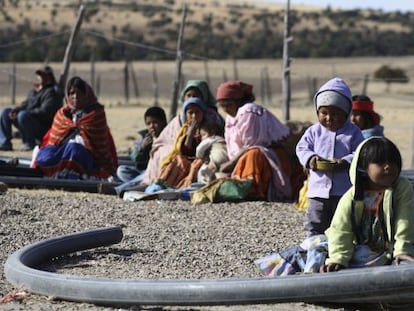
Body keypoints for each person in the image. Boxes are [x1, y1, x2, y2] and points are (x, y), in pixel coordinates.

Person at [320, 137, 414, 272]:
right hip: (364, 248)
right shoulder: (352, 196)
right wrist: (338, 258)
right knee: (316, 248)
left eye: (393, 162)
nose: (388, 166)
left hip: (399, 245)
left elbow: (405, 222)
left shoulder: (401, 188)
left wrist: (403, 251)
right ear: (364, 166)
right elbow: (341, 228)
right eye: (380, 162)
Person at [296, 77, 364, 237]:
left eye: (335, 113)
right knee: (315, 222)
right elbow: (301, 148)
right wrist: (310, 158)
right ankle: (314, 249)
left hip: (343, 191)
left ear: (346, 113)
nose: (328, 118)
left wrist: (346, 161)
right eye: (324, 113)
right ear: (317, 112)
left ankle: (339, 250)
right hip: (318, 190)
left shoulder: (353, 133)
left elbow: (361, 152)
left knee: (342, 222)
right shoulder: (314, 131)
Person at [216, 80, 295, 202]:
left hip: (270, 156)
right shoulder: (230, 118)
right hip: (243, 156)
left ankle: (255, 189)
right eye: (222, 105)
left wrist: (231, 164)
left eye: (228, 105)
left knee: (254, 155)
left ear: (238, 101)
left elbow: (252, 145)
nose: (225, 109)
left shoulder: (249, 112)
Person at [32, 76, 118, 180]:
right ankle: (56, 172)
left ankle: (73, 173)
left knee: (74, 149)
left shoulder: (96, 114)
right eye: (72, 93)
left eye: (79, 93)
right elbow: (54, 140)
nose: (75, 96)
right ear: (67, 95)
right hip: (62, 151)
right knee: (45, 153)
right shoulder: (63, 114)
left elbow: (100, 147)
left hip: (88, 156)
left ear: (86, 94)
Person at [141, 80, 224, 186]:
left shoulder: (211, 119)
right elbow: (173, 145)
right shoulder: (181, 120)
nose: (193, 116)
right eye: (188, 95)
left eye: (196, 95)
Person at [0, 65, 62, 151]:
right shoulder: (34, 91)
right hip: (27, 120)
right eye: (39, 75)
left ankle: (29, 144)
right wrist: (15, 111)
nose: (41, 77)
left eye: (44, 75)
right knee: (6, 112)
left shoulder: (52, 92)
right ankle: (5, 142)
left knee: (23, 115)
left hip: (43, 126)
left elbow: (45, 111)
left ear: (49, 77)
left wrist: (27, 113)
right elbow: (25, 105)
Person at [156, 97, 209, 188]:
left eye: (197, 112)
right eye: (190, 113)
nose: (194, 116)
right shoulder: (184, 130)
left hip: (202, 160)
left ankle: (186, 186)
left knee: (196, 165)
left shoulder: (208, 128)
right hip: (186, 160)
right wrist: (190, 135)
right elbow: (184, 150)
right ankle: (164, 184)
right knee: (177, 160)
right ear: (185, 115)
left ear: (203, 114)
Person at [116, 106, 167, 183]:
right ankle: (141, 183)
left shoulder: (168, 136)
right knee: (121, 170)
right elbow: (134, 159)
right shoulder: (144, 137)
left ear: (163, 122)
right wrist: (142, 148)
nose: (152, 126)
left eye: (155, 122)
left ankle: (135, 184)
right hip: (144, 171)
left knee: (152, 175)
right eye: (148, 123)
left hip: (158, 171)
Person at [196, 120, 229, 185]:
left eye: (203, 135)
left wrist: (199, 155)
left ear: (212, 133)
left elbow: (199, 150)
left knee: (202, 171)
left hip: (217, 159)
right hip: (227, 160)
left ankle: (203, 185)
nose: (202, 138)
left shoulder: (211, 139)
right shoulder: (222, 140)